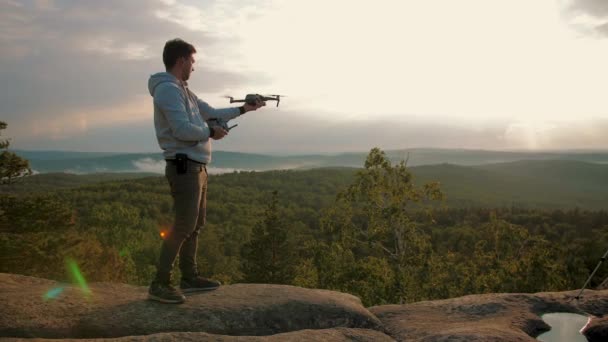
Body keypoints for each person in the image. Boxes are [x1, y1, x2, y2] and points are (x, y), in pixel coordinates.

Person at [147, 38, 265, 303]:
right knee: (183, 225)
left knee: (195, 225)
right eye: (192, 61)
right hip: (183, 165)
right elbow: (181, 129)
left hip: (196, 166)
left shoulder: (184, 90)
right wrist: (211, 131)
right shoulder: (167, 90)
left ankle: (189, 277)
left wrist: (245, 108)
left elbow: (211, 112)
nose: (194, 67)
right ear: (181, 60)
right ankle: (159, 283)